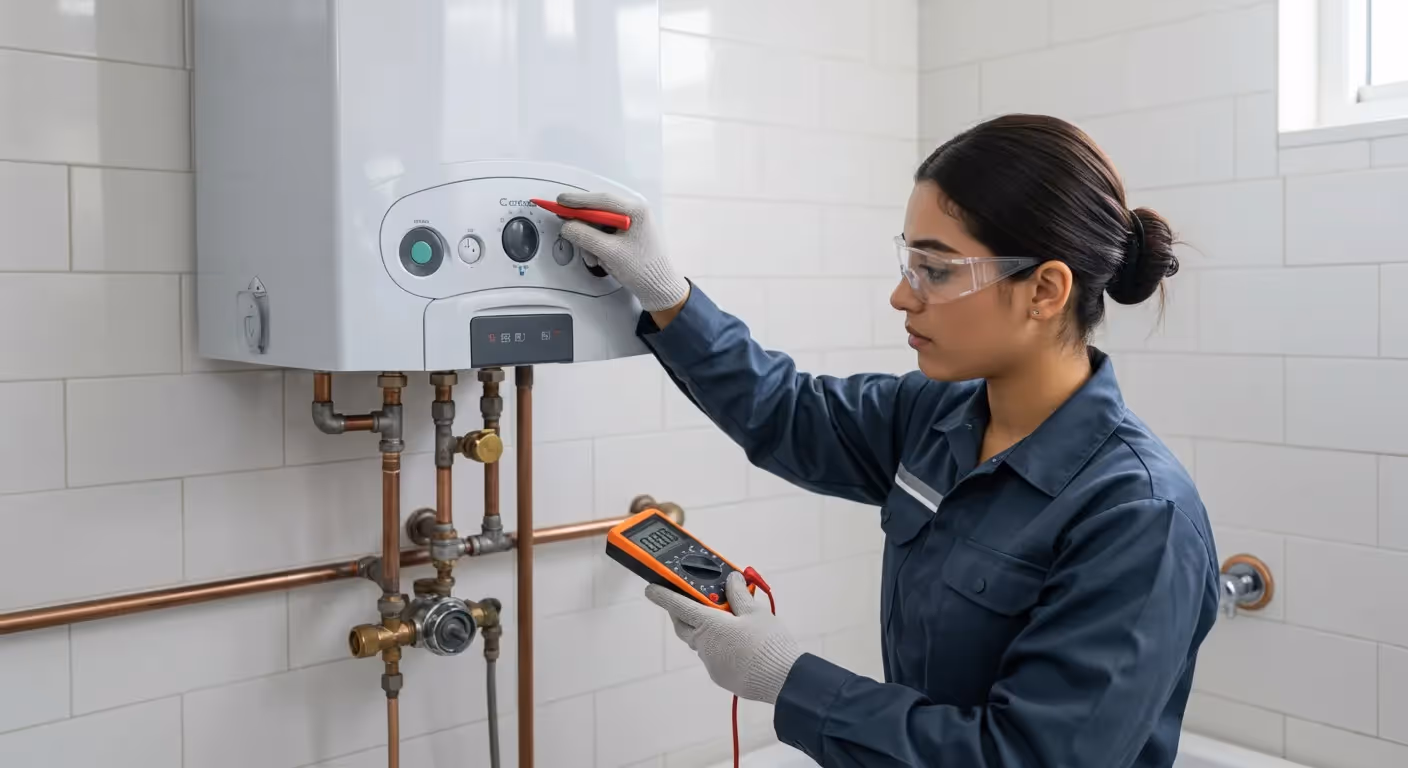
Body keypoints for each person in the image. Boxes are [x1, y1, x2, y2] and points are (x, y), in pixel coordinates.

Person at [558, 114, 1219, 768]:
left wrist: (788, 678)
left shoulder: (1140, 517)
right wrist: (666, 292)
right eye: (909, 260)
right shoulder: (935, 415)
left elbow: (1026, 758)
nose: (903, 295)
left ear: (1044, 290)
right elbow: (784, 411)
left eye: (935, 270)